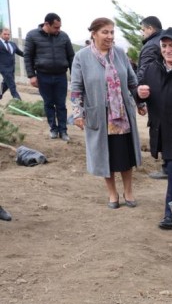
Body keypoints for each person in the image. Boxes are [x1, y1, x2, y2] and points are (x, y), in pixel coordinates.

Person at [70, 17, 141, 209]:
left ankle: (128, 191)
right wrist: (77, 113)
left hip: (122, 115)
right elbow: (76, 88)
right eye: (105, 32)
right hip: (100, 116)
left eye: (112, 32)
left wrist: (140, 102)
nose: (109, 36)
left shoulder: (119, 53)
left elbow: (132, 82)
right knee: (104, 155)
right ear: (94, 34)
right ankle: (112, 193)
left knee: (125, 156)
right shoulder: (82, 57)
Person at [135, 27, 172, 230]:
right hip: (160, 129)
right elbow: (139, 89)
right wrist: (139, 94)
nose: (168, 50)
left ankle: (171, 214)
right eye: (164, 46)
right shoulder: (152, 68)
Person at [24, 13, 74, 141]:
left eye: (60, 27)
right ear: (46, 24)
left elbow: (71, 56)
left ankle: (63, 131)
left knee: (61, 104)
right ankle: (53, 129)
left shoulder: (63, 36)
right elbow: (28, 57)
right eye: (56, 27)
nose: (59, 30)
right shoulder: (32, 35)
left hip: (61, 76)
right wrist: (31, 75)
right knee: (48, 104)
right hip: (43, 76)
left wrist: (74, 75)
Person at [137, 16, 168, 180]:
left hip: (156, 92)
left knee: (159, 128)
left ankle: (167, 167)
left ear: (150, 29)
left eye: (143, 30)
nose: (142, 34)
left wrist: (138, 96)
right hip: (168, 90)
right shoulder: (164, 40)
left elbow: (144, 71)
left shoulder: (150, 46)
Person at [0, 28, 24, 100]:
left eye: (8, 34)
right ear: (0, 34)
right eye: (5, 34)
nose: (7, 36)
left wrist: (31, 55)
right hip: (3, 68)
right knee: (12, 84)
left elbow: (21, 53)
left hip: (12, 68)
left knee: (6, 84)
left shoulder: (12, 44)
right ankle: (18, 101)